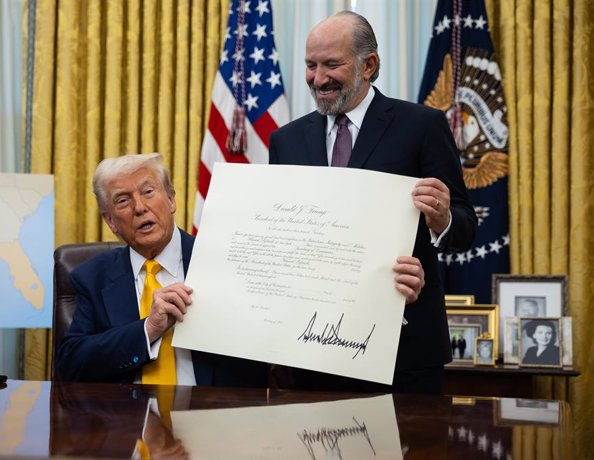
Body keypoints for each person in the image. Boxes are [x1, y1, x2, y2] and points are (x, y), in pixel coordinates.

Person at [268, 11, 477, 394]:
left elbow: (465, 227)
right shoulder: (286, 141)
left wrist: (443, 218)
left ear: (369, 65)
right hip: (312, 351)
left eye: (332, 64)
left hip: (405, 351)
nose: (318, 78)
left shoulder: (422, 126)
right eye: (310, 66)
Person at [55, 153, 267, 386]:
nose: (140, 208)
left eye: (148, 192)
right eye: (123, 200)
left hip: (210, 412)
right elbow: (70, 364)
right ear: (111, 221)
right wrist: (148, 329)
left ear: (171, 200)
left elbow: (259, 350)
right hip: (129, 416)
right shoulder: (92, 277)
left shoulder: (225, 262)